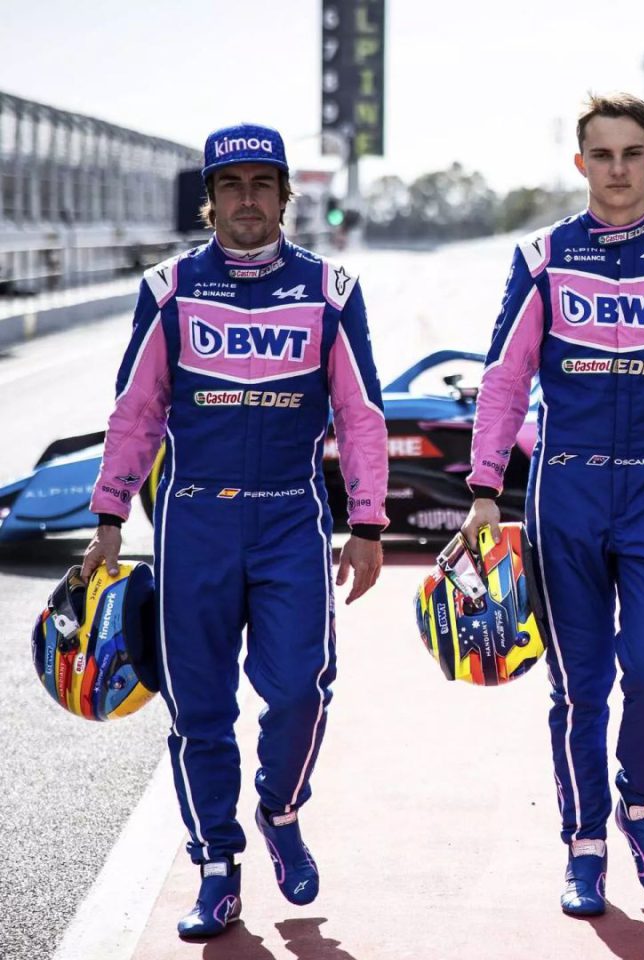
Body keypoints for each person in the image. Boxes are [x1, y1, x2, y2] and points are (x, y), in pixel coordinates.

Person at [80, 123, 388, 940]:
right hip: (195, 522)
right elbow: (136, 412)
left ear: (286, 196)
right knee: (199, 709)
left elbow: (360, 418)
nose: (247, 199)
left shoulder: (331, 290)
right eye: (231, 184)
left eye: (263, 183)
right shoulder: (169, 287)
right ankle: (217, 865)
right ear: (209, 200)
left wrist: (368, 521)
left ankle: (279, 813)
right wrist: (110, 515)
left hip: (292, 515)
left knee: (297, 692)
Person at [461, 92, 644, 917]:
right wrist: (485, 491)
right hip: (566, 494)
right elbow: (506, 380)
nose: (617, 169)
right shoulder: (542, 258)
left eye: (632, 154)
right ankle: (584, 847)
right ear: (579, 163)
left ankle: (641, 805)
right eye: (602, 154)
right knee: (580, 689)